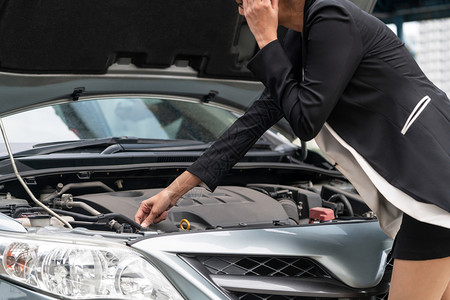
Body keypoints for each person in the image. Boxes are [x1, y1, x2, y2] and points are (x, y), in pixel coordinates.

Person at [135, 0, 450, 298]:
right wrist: (173, 192)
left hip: (432, 195)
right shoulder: (305, 35)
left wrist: (265, 37)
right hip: (431, 193)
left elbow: (305, 120)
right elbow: (258, 117)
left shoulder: (332, 18)